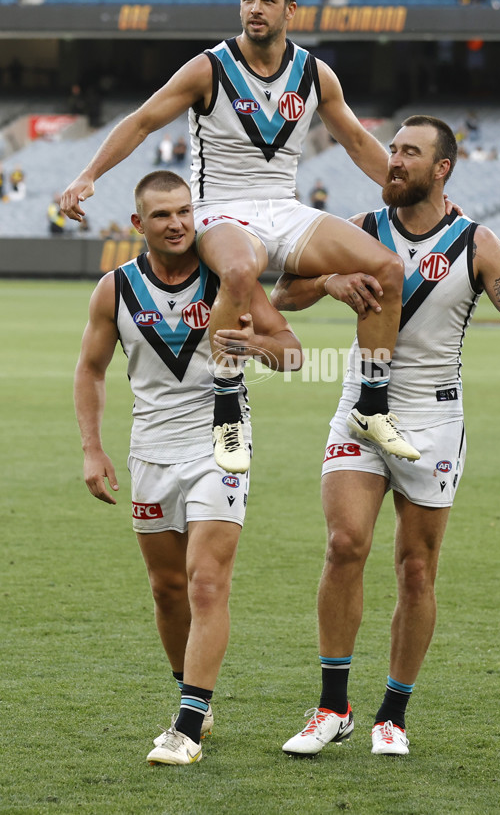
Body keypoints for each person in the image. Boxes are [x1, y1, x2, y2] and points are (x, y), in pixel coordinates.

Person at [60, 0, 423, 476]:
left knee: (388, 269)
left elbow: (359, 141)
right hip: (220, 209)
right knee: (236, 271)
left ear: (290, 11)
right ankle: (226, 407)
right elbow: (142, 120)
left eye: (267, 0)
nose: (254, 8)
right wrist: (88, 173)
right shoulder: (209, 67)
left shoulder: (315, 74)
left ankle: (371, 404)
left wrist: (412, 197)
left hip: (285, 208)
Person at [271, 115, 500, 758]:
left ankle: (393, 714)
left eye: (410, 153)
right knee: (346, 543)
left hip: (434, 420)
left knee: (416, 568)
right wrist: (330, 282)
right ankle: (332, 706)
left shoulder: (476, 243)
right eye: (392, 149)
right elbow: (285, 291)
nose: (393, 161)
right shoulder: (361, 229)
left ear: (442, 168)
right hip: (360, 405)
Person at [74, 170, 302, 766]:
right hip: (149, 449)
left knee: (205, 581)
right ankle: (191, 692)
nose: (176, 224)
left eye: (184, 212)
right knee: (167, 588)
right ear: (137, 225)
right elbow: (91, 370)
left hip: (219, 442)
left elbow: (294, 352)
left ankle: (187, 724)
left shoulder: (228, 278)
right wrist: (91, 448)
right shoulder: (115, 289)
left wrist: (254, 347)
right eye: (162, 216)